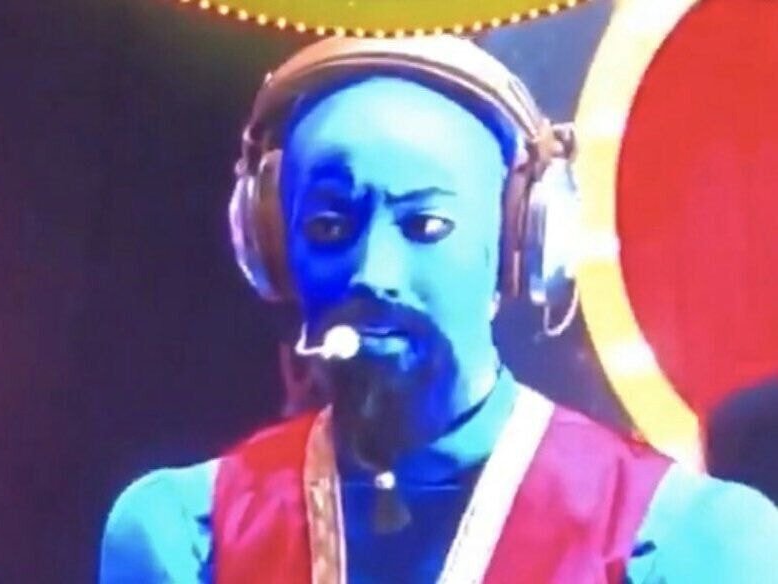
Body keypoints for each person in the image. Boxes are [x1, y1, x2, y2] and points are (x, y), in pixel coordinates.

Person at [99, 36, 778, 583]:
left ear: (520, 245)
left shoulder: (690, 540)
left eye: (425, 226)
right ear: (269, 248)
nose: (372, 273)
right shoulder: (182, 532)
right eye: (330, 228)